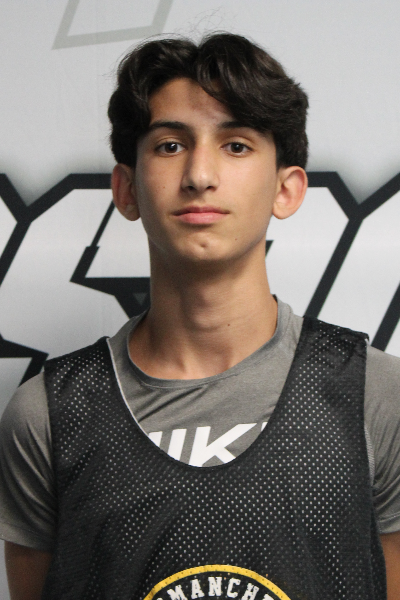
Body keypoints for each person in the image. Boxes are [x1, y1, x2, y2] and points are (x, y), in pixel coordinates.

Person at [0, 32, 399, 600]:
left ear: (286, 189)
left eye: (236, 145)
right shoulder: (46, 416)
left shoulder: (375, 395)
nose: (200, 174)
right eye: (170, 145)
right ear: (126, 189)